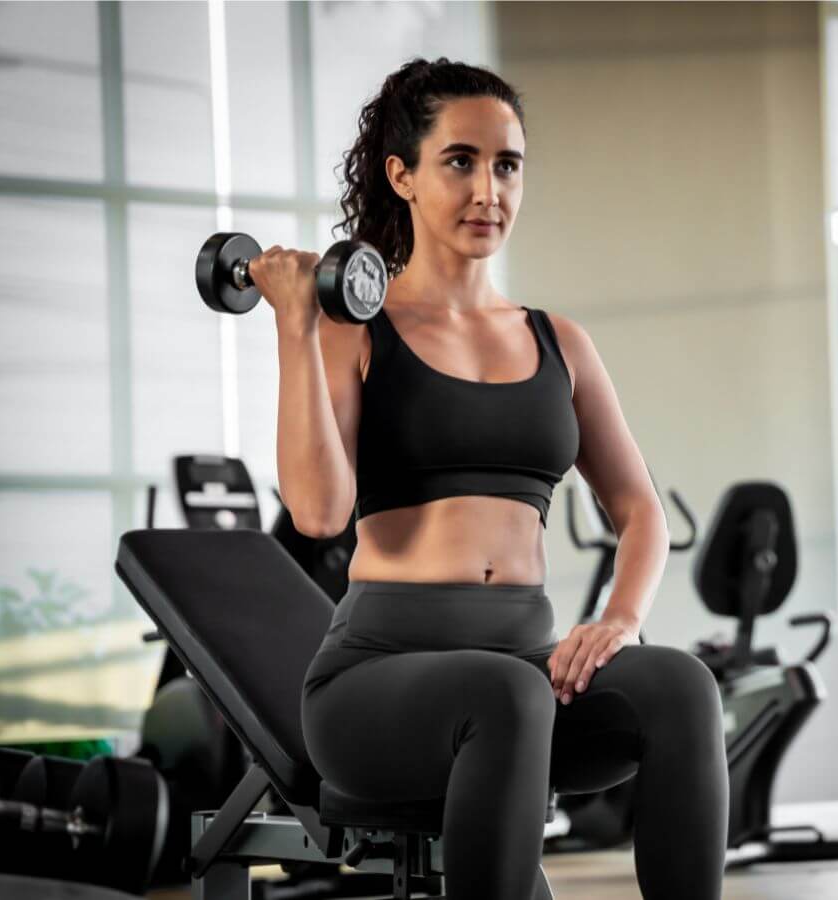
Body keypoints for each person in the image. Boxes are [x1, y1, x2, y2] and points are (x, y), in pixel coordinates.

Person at [250, 58, 728, 900]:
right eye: (460, 161)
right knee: (506, 692)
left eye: (507, 165)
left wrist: (619, 619)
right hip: (376, 686)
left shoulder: (559, 342)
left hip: (526, 678)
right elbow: (320, 513)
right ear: (402, 175)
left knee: (680, 684)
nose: (488, 190)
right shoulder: (357, 330)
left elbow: (640, 511)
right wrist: (297, 325)